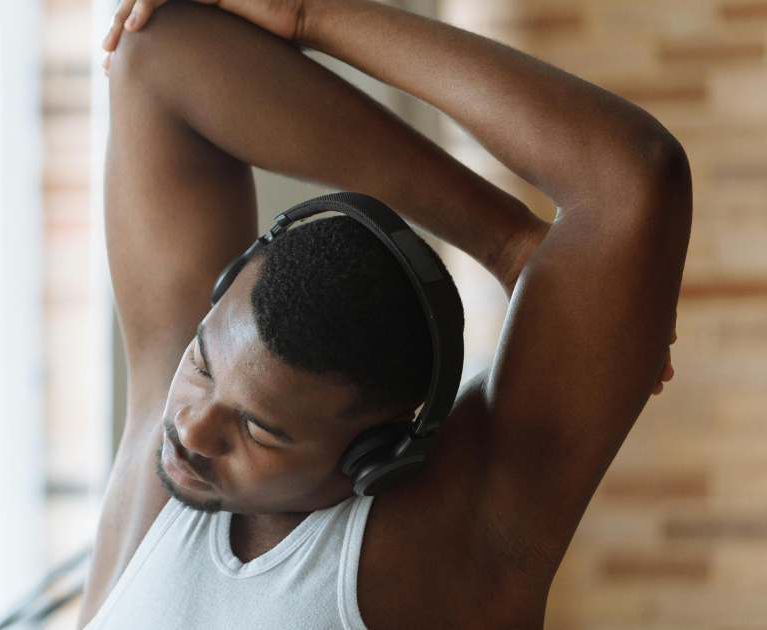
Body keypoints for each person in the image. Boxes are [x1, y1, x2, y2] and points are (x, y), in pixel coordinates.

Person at [79, 1, 690, 628]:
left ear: (370, 456)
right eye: (203, 366)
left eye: (259, 430)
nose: (192, 428)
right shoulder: (170, 434)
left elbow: (631, 172)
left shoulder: (453, 547)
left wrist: (313, 16)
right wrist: (501, 237)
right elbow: (158, 53)